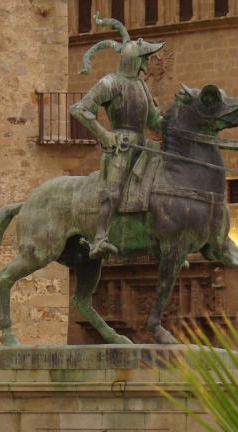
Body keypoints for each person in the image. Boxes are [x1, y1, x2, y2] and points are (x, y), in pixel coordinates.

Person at [70, 14, 165, 259]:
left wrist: (178, 124)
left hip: (143, 145)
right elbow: (79, 109)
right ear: (137, 60)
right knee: (113, 190)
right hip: (121, 145)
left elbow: (154, 121)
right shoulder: (111, 83)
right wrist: (104, 135)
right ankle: (100, 237)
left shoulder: (142, 86)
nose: (149, 62)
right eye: (146, 58)